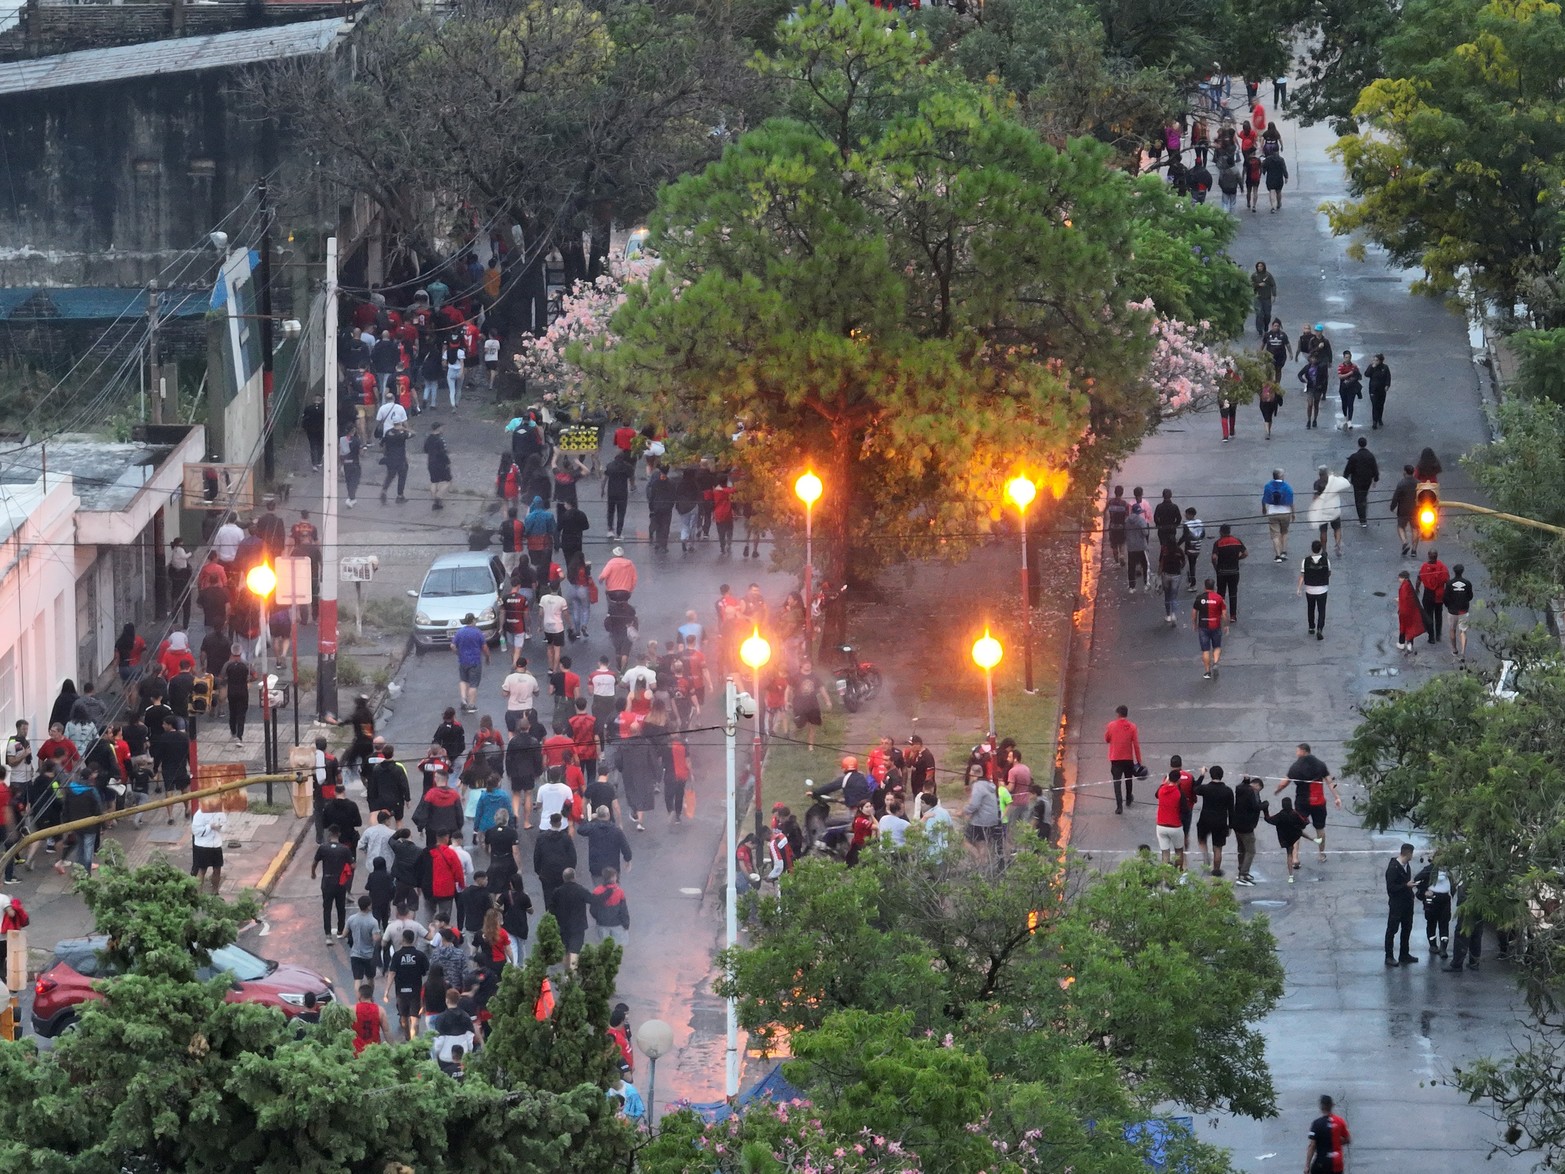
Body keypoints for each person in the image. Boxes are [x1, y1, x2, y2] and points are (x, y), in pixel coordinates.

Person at [312, 827, 355, 940]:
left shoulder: (323, 848)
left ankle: (328, 935)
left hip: (327, 881)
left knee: (327, 908)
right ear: (339, 834)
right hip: (340, 882)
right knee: (341, 907)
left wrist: (313, 873)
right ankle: (340, 931)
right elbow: (352, 865)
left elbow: (315, 862)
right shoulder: (345, 849)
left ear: (329, 834)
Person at [1194, 766, 1234, 877]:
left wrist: (1202, 775)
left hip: (1205, 819)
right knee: (1218, 847)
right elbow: (1231, 810)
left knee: (1202, 840)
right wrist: (1230, 826)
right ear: (1222, 775)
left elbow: (1195, 788)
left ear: (1211, 775)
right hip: (1220, 821)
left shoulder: (1205, 788)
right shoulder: (1228, 791)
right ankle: (1216, 870)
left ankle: (1206, 857)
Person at [1385, 842, 1419, 965]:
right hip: (1396, 904)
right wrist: (1406, 886)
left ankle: (1404, 954)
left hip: (1407, 903)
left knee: (1407, 928)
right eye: (1412, 854)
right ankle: (1389, 956)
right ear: (1408, 853)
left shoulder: (1406, 866)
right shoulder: (1393, 868)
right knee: (1392, 929)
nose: (1412, 856)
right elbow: (1391, 888)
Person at [1105, 704, 1142, 814]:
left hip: (1115, 758)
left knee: (1117, 781)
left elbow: (1107, 739)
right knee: (1128, 779)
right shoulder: (1132, 727)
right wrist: (1139, 760)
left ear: (1118, 714)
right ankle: (1129, 798)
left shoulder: (1111, 725)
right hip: (1128, 758)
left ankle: (1119, 806)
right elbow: (1136, 745)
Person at [1307, 466, 1351, 556]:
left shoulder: (1317, 483)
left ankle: (1324, 550)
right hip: (1334, 509)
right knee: (1337, 528)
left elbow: (1315, 497)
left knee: (1323, 531)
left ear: (1319, 474)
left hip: (1323, 511)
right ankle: (1337, 545)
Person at [1415, 858, 1453, 959]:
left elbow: (1452, 883)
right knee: (1431, 922)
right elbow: (1417, 879)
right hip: (1432, 899)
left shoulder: (1448, 871)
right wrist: (1424, 891)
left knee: (1444, 923)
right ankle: (1433, 945)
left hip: (1445, 899)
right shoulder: (1429, 869)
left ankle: (1443, 948)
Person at [452, 613, 489, 714]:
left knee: (463, 680)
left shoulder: (460, 632)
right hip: (475, 661)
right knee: (473, 684)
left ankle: (464, 700)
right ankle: (471, 705)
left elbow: (452, 646)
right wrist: (487, 657)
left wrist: (457, 653)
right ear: (473, 621)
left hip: (463, 661)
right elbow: (484, 647)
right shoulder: (477, 632)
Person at [1191, 577, 1228, 680]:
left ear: (1205, 586)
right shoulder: (1219, 598)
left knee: (1205, 650)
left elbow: (1194, 612)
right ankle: (1215, 663)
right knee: (1217, 647)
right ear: (1214, 587)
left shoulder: (1199, 598)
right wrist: (1225, 625)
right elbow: (1224, 614)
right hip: (1216, 626)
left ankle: (1207, 671)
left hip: (1203, 627)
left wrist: (1194, 623)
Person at [190, 795, 227, 893]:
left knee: (217, 869)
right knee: (202, 870)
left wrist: (220, 827)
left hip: (216, 845)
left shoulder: (220, 812)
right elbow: (196, 831)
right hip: (203, 846)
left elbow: (225, 825)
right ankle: (199, 894)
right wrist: (209, 827)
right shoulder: (199, 814)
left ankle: (215, 892)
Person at [1209, 523, 1247, 622]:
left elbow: (1214, 557)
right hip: (1234, 571)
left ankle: (1220, 613)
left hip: (1222, 572)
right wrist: (1237, 558)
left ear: (1221, 532)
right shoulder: (1237, 541)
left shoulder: (1218, 543)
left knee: (1221, 594)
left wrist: (1216, 567)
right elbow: (1245, 553)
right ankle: (1233, 616)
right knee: (1233, 593)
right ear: (1229, 531)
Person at [1230, 776, 1264, 886]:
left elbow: (1240, 787)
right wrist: (1263, 806)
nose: (1258, 792)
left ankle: (1241, 870)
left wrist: (1245, 781)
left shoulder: (1241, 790)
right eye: (1259, 789)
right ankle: (1243, 874)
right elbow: (1255, 807)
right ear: (1256, 785)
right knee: (1251, 850)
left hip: (1237, 825)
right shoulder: (1250, 793)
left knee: (1241, 849)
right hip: (1246, 827)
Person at [1305, 1096, 1351, 1174]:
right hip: (1337, 1162)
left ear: (1321, 1107)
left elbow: (1312, 1146)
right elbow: (1348, 1139)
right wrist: (1335, 1141)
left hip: (1322, 1163)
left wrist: (1307, 1166)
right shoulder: (1340, 1121)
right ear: (1332, 1105)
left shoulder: (1317, 1123)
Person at [1296, 541, 1331, 639]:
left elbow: (1302, 575)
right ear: (1320, 549)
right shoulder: (1326, 561)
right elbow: (1329, 573)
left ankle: (1311, 627)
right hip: (1322, 589)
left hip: (1309, 589)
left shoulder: (1305, 561)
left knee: (1310, 608)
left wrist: (1299, 588)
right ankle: (1320, 629)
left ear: (1312, 548)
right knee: (1321, 610)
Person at [1342, 437, 1379, 528]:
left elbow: (1348, 469)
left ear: (1358, 444)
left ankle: (1362, 520)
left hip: (1357, 481)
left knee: (1358, 499)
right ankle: (1364, 508)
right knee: (1364, 496)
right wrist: (1375, 479)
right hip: (1367, 481)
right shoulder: (1370, 456)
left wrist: (1345, 478)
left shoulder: (1354, 457)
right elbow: (1375, 468)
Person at [1154, 769, 1185, 869]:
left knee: (1165, 852)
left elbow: (1156, 794)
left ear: (1168, 778)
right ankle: (1179, 872)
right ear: (1178, 780)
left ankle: (1165, 874)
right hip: (1175, 826)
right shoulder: (1179, 793)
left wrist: (1165, 783)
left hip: (1161, 826)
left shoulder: (1161, 790)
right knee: (1179, 850)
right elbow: (1185, 809)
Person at [1418, 549, 1450, 644]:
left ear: (1428, 555)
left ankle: (1431, 637)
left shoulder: (1424, 567)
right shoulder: (1442, 567)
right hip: (1439, 595)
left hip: (1428, 594)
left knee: (1429, 616)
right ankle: (1438, 634)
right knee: (1438, 615)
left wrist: (1416, 589)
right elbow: (1448, 582)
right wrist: (1447, 594)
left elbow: (1419, 578)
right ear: (1437, 556)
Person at [1262, 469, 1294, 561]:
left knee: (1275, 535)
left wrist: (1264, 509)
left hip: (1273, 513)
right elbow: (1291, 501)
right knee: (1284, 532)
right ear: (1281, 476)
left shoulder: (1268, 486)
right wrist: (1293, 513)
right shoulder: (1287, 487)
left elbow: (1264, 499)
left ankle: (1278, 555)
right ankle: (1284, 552)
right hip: (1285, 512)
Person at [1389, 464, 1420, 557]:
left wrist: (1392, 507)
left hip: (1403, 510)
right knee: (1415, 528)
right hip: (1416, 510)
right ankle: (1414, 550)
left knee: (1401, 527)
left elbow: (1396, 497)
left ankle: (1405, 542)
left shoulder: (1401, 484)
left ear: (1405, 472)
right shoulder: (1418, 483)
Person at [1445, 564, 1474, 659]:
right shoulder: (1467, 583)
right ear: (1462, 571)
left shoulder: (1449, 583)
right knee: (1463, 631)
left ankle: (1454, 649)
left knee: (1452, 629)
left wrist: (1448, 605)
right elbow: (1470, 596)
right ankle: (1463, 652)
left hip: (1452, 610)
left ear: (1454, 571)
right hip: (1463, 610)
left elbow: (1446, 597)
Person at [352, 983, 389, 1055]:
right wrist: (394, 1048)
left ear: (359, 995)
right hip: (374, 1051)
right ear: (371, 996)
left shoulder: (352, 1010)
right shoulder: (380, 1010)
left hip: (357, 1052)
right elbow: (386, 1031)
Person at [1395, 569, 1426, 654]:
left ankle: (1402, 644)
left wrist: (1399, 600)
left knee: (1403, 627)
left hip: (1404, 611)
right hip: (1410, 611)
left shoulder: (1404, 587)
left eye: (1400, 578)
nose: (1399, 579)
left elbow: (1404, 598)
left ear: (1403, 578)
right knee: (1409, 628)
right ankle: (1409, 645)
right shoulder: (1408, 585)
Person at [424, 422, 453, 512]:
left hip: (431, 463)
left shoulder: (429, 438)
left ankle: (435, 503)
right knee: (448, 481)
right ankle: (438, 496)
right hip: (440, 463)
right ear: (438, 428)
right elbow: (442, 453)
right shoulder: (440, 440)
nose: (443, 429)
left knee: (434, 482)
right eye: (442, 427)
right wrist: (448, 462)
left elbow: (425, 449)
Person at [1125, 504, 1151, 592]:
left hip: (1131, 547)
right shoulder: (1141, 520)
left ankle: (1132, 586)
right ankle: (1146, 583)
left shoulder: (1127, 520)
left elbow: (1125, 533)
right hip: (1141, 546)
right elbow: (1145, 532)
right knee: (1145, 565)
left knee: (1131, 566)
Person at [1335, 350, 1363, 428]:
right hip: (1343, 387)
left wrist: (1354, 376)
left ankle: (1350, 420)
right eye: (1346, 357)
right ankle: (1345, 417)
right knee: (1344, 403)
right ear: (1344, 358)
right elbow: (1340, 376)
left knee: (1350, 403)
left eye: (1349, 357)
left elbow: (1359, 377)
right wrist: (1350, 373)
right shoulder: (1341, 366)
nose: (1347, 359)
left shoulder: (1354, 366)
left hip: (1352, 388)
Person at [1104, 486, 1129, 566]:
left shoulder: (1110, 502)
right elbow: (1127, 516)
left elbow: (1105, 512)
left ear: (1115, 492)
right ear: (1122, 493)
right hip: (1121, 527)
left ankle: (1117, 561)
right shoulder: (1124, 504)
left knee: (1114, 544)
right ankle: (1122, 555)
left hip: (1112, 526)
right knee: (1122, 543)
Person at [1251, 261, 1276, 338]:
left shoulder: (1268, 275)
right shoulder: (1254, 275)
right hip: (1257, 298)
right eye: (1258, 266)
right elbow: (1250, 284)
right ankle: (1259, 330)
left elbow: (1273, 285)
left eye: (1261, 266)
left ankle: (1266, 326)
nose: (1260, 268)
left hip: (1267, 298)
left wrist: (1274, 295)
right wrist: (1258, 285)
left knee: (1267, 315)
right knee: (1259, 314)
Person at [1366, 353, 1391, 427]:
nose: (1375, 361)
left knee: (1381, 405)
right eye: (1374, 360)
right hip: (1373, 389)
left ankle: (1379, 418)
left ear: (1380, 361)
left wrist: (1387, 385)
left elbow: (1388, 377)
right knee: (1375, 405)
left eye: (1376, 360)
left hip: (1382, 389)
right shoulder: (1371, 367)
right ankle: (1374, 421)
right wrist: (1372, 368)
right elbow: (1366, 374)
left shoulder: (1385, 367)